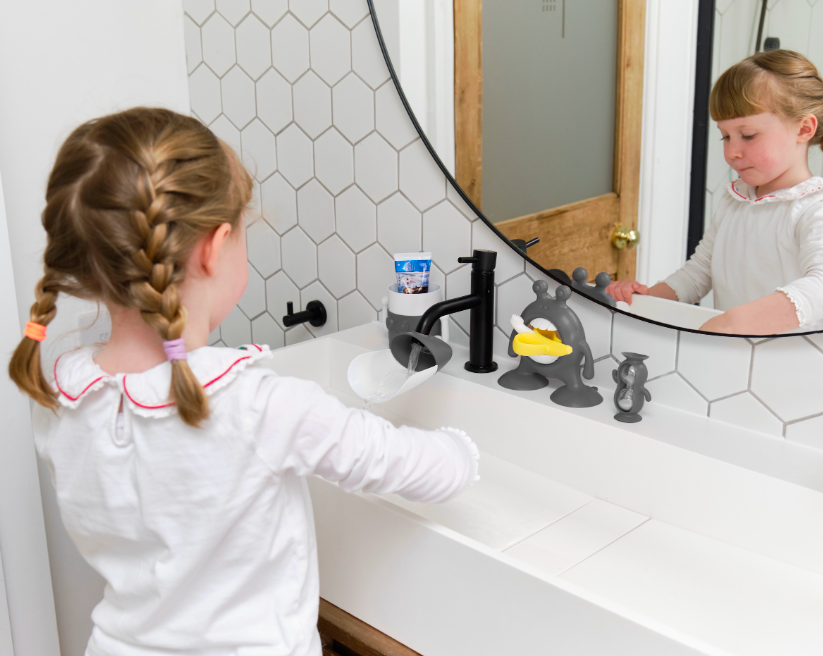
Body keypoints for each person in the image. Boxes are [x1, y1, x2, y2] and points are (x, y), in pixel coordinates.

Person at [8, 108, 479, 656]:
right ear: (214, 247)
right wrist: (463, 451)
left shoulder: (61, 395)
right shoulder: (257, 405)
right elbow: (404, 465)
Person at [608, 50, 823, 334]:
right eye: (725, 136)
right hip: (732, 351)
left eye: (748, 135)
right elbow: (698, 273)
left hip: (792, 358)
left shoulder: (818, 207)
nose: (732, 151)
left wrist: (733, 322)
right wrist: (645, 301)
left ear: (804, 129)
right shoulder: (736, 199)